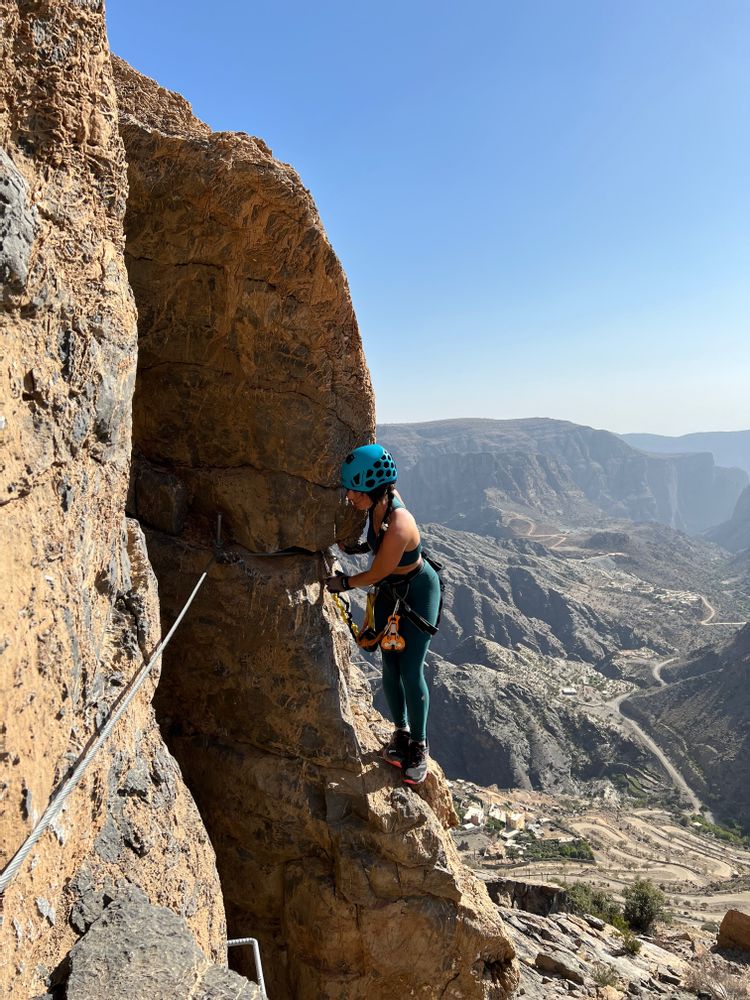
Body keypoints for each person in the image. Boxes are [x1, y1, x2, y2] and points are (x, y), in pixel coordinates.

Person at [325, 444, 442, 785]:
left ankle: (420, 745)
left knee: (410, 668)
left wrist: (342, 583)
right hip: (395, 593)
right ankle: (401, 732)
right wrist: (358, 546)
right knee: (390, 664)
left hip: (418, 595)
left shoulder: (400, 522)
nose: (349, 495)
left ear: (375, 489)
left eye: (355, 491)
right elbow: (378, 548)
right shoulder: (378, 503)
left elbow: (376, 572)